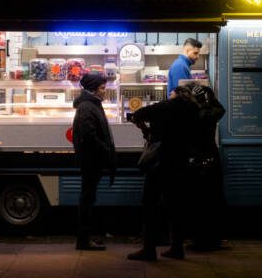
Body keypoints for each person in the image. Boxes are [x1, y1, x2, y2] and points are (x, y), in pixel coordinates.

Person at [126, 85, 202, 260]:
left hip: (161, 162)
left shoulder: (165, 106)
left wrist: (147, 131)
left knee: (150, 204)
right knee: (175, 206)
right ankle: (177, 247)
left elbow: (137, 115)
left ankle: (149, 249)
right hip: (181, 161)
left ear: (174, 95)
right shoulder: (194, 109)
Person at [72, 72, 116, 251]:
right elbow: (89, 135)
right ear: (93, 89)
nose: (105, 91)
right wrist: (105, 151)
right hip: (91, 160)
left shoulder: (91, 105)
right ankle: (83, 240)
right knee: (87, 199)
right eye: (102, 88)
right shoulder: (87, 107)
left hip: (92, 159)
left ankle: (85, 239)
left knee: (88, 198)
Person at [187, 84, 228, 251]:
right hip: (212, 161)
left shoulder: (191, 116)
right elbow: (221, 108)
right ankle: (213, 239)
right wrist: (209, 95)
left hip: (197, 162)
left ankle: (199, 240)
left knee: (198, 203)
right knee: (213, 201)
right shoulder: (212, 114)